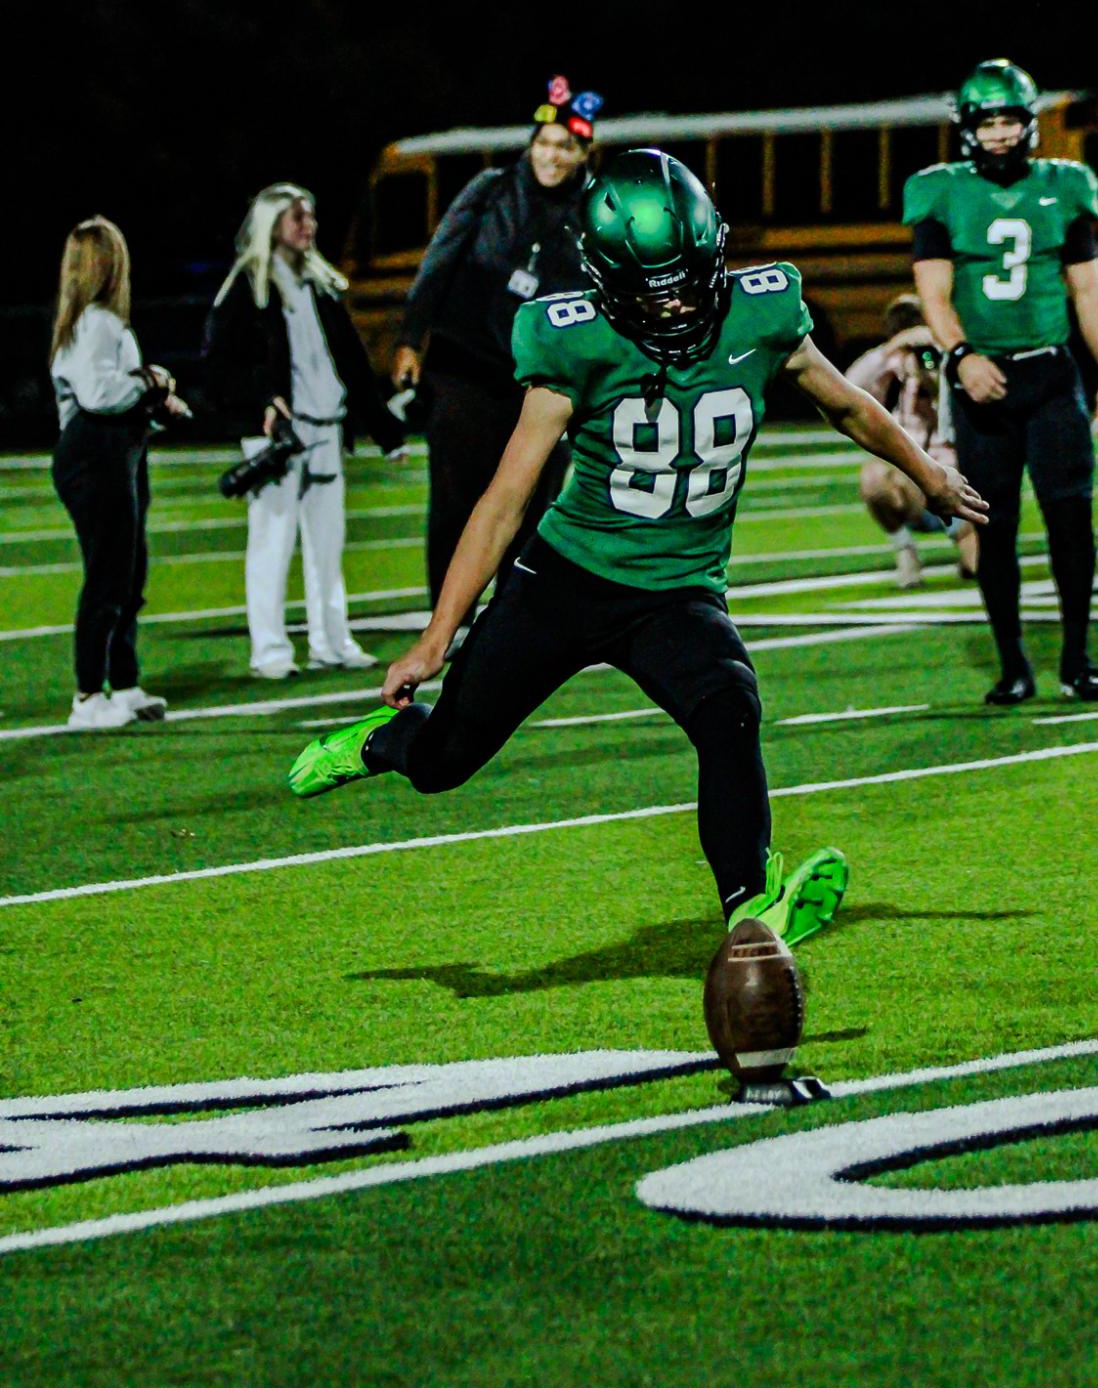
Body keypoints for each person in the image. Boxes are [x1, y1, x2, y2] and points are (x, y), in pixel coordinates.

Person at [287, 149, 988, 948]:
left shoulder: (761, 313)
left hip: (677, 589)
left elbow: (851, 406)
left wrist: (928, 473)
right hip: (565, 580)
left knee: (729, 706)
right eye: (653, 290)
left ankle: (751, 904)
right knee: (447, 759)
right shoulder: (575, 339)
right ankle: (376, 746)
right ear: (605, 279)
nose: (680, 302)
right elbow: (504, 500)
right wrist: (435, 637)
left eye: (690, 276)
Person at [905, 59, 1098, 706]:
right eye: (988, 121)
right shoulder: (940, 193)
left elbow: (1088, 287)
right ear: (968, 127)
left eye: (1009, 120)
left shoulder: (1064, 186)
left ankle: (1078, 658)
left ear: (1029, 123)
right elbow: (933, 293)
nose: (1000, 133)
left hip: (1051, 372)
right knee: (993, 524)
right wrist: (962, 355)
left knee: (1071, 518)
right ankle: (1012, 664)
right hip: (982, 379)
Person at [391, 77, 600, 607]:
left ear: (584, 154)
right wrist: (412, 339)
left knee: (534, 502)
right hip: (465, 368)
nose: (551, 156)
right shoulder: (489, 190)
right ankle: (448, 610)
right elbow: (439, 262)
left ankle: (516, 613)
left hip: (541, 381)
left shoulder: (595, 211)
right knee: (457, 497)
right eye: (544, 143)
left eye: (565, 147)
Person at [204, 183, 407, 681]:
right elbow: (218, 366)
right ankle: (270, 650)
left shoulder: (319, 285)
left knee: (327, 543)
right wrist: (261, 400)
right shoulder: (248, 285)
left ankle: (332, 641)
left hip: (326, 430)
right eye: (296, 216)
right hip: (279, 436)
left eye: (310, 216)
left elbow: (352, 367)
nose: (307, 225)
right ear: (271, 223)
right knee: (272, 543)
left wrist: (387, 432)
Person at [49, 216, 188, 730]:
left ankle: (124, 684)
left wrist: (154, 402)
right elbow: (100, 395)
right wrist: (151, 380)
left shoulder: (99, 321)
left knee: (129, 573)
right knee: (108, 575)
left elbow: (111, 393)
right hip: (95, 454)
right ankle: (87, 696)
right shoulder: (96, 322)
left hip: (113, 450)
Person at [845, 293, 980, 588]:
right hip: (918, 483)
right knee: (874, 477)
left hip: (966, 481)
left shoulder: (959, 357)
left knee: (979, 569)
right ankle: (904, 548)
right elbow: (848, 387)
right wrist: (890, 352)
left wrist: (939, 351)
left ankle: (969, 543)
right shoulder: (895, 366)